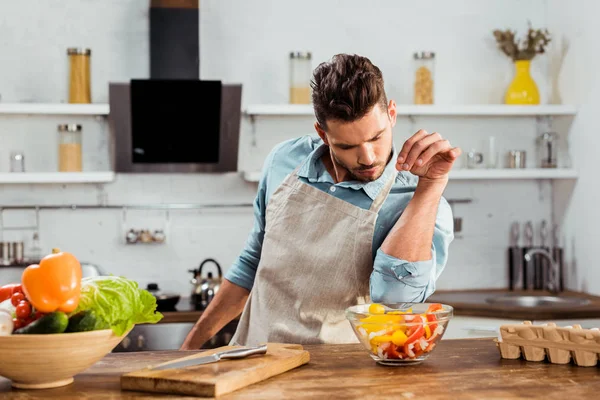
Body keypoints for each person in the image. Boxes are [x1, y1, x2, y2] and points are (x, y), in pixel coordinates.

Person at [180, 53, 460, 349]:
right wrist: (189, 346)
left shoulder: (420, 204)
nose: (367, 158)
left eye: (376, 137)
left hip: (336, 377)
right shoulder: (284, 160)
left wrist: (431, 186)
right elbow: (253, 262)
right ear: (322, 133)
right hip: (253, 359)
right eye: (347, 145)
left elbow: (394, 300)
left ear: (391, 113)